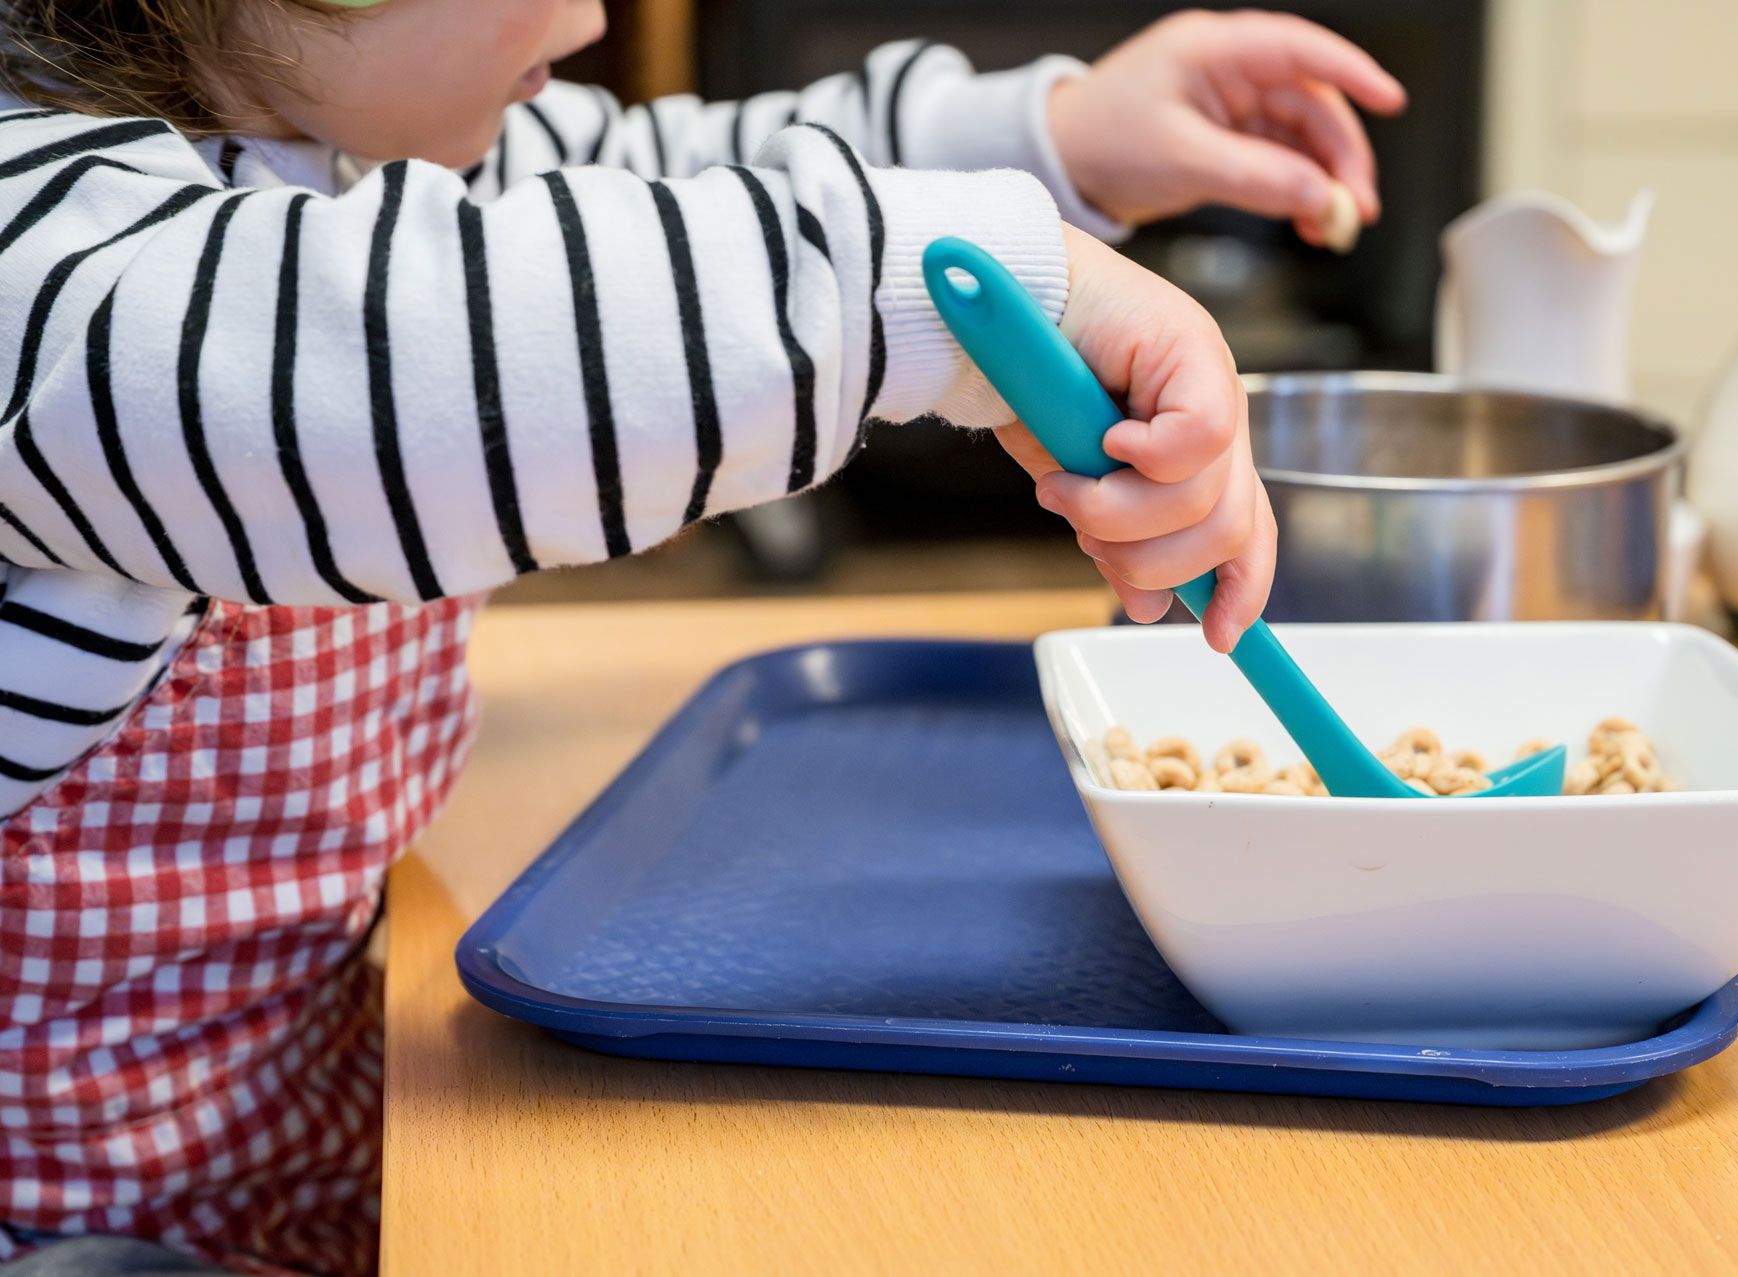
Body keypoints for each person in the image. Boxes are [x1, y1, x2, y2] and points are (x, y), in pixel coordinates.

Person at [0, 2, 1402, 1271]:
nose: (593, 15)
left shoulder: (352, 123)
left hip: (288, 1135)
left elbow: (677, 176)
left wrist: (1053, 140)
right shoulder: (37, 248)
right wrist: (940, 290)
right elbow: (339, 362)